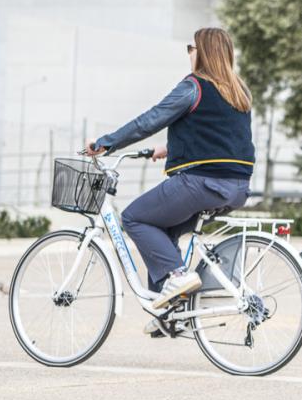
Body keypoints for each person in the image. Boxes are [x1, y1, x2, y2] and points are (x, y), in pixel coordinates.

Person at [84, 27, 255, 333]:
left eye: (191, 47)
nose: (189, 53)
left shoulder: (194, 87)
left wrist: (107, 143)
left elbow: (150, 120)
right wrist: (169, 148)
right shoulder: (238, 91)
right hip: (236, 188)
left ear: (202, 52)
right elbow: (220, 137)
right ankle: (171, 316)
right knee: (162, 230)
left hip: (200, 184)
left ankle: (176, 276)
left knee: (135, 218)